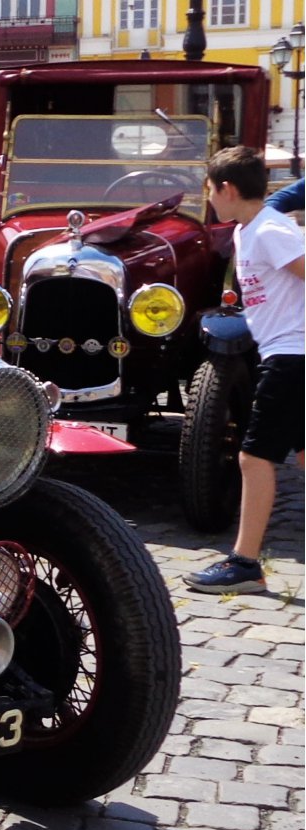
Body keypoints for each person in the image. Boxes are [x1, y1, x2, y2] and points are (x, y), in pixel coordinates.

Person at [184, 147, 304, 594]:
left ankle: (245, 563)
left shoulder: (270, 231)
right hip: (284, 354)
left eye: (210, 190)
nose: (209, 199)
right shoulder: (247, 230)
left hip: (292, 356)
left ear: (227, 189)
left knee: (253, 458)